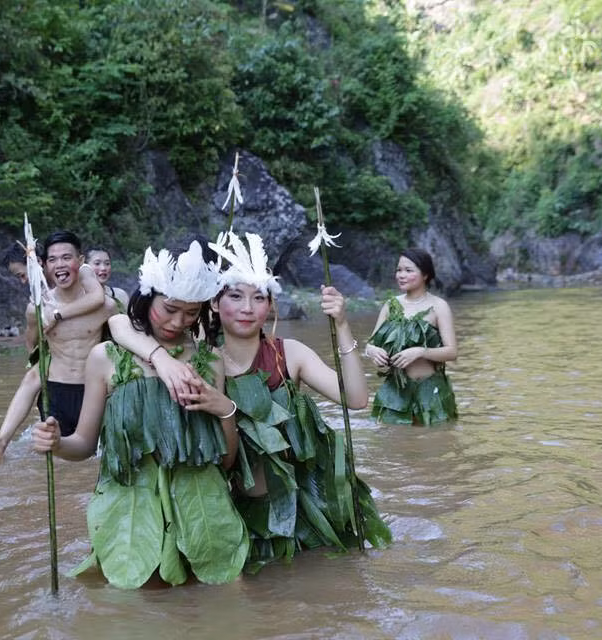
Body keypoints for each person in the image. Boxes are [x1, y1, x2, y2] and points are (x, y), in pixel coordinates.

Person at [110, 231, 392, 569]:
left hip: (296, 513)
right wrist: (161, 359)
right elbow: (119, 323)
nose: (247, 308)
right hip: (225, 513)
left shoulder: (289, 354)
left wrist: (343, 326)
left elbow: (356, 400)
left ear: (270, 305)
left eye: (259, 298)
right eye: (235, 296)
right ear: (214, 303)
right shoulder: (199, 358)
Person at [31, 241, 246, 589]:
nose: (178, 322)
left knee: (218, 593)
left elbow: (225, 462)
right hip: (129, 516)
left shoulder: (210, 361)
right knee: (130, 598)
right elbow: (84, 444)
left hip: (201, 513)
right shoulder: (106, 357)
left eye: (191, 313)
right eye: (170, 309)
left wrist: (225, 411)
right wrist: (56, 443)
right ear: (147, 299)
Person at [0, 231, 112, 461]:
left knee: (98, 458)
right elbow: (32, 345)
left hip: (93, 390)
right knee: (57, 456)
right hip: (57, 389)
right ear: (45, 265)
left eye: (66, 258)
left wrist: (57, 315)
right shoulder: (35, 308)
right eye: (53, 259)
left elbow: (119, 342)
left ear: (80, 261)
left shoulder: (103, 304)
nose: (60, 264)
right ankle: (1, 442)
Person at [364, 247, 458, 426]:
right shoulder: (391, 305)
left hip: (431, 391)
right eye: (399, 270)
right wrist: (373, 351)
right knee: (393, 440)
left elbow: (452, 352)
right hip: (395, 392)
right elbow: (370, 344)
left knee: (436, 439)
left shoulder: (439, 306)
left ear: (425, 275)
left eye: (408, 270)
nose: (401, 275)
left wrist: (420, 352)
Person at [85, 246, 130, 311]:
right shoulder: (78, 296)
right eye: (97, 263)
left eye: (107, 263)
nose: (103, 268)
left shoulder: (120, 295)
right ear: (85, 266)